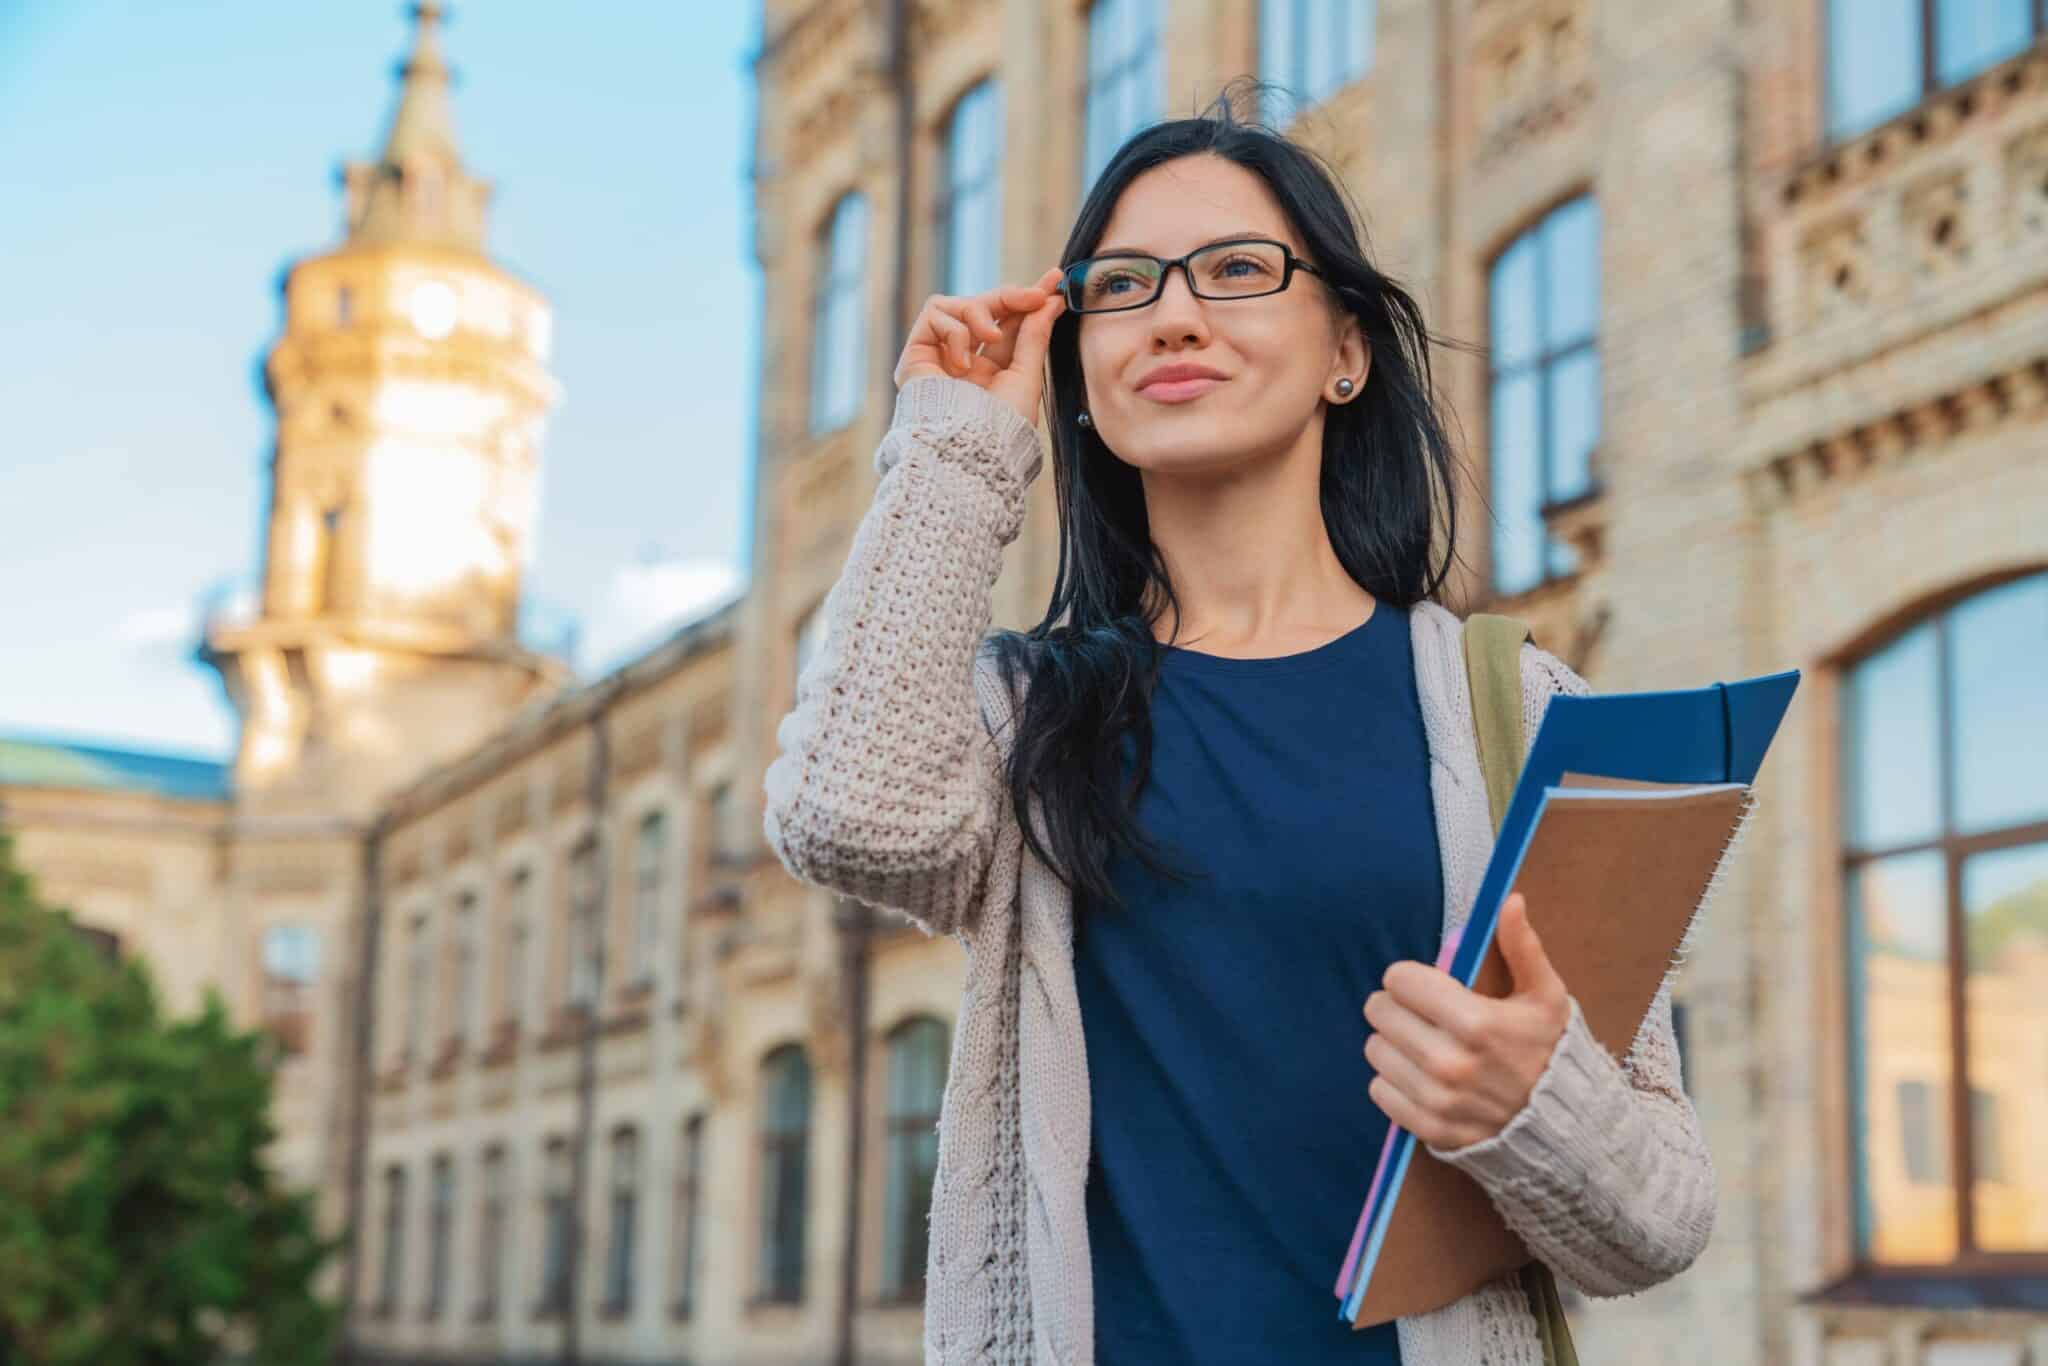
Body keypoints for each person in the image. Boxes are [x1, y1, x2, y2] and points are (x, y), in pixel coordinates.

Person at [763, 85, 1712, 1366]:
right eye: (1122, 285)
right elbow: (844, 816)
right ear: (1082, 376)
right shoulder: (1024, 714)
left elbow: (1656, 1222)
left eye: (1234, 269)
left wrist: (1531, 1102)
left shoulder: (1520, 714)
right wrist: (953, 446)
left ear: (1345, 350)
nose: (1172, 312)